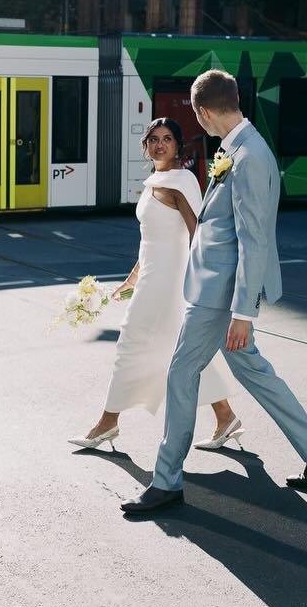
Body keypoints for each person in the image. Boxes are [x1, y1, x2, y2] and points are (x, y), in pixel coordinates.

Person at [121, 70, 307, 514]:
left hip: (219, 295)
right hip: (218, 288)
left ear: (204, 111)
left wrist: (243, 312)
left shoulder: (249, 156)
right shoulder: (234, 147)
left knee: (181, 374)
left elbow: (253, 238)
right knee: (254, 372)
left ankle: (166, 481)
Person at [69, 117, 246, 452]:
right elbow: (150, 241)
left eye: (167, 138)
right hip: (153, 279)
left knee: (132, 346)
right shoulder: (155, 181)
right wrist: (129, 281)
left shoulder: (180, 182)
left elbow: (199, 237)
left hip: (170, 285)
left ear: (178, 146)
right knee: (180, 352)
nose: (160, 144)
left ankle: (107, 423)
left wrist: (204, 286)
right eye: (153, 139)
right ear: (145, 145)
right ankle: (225, 416)